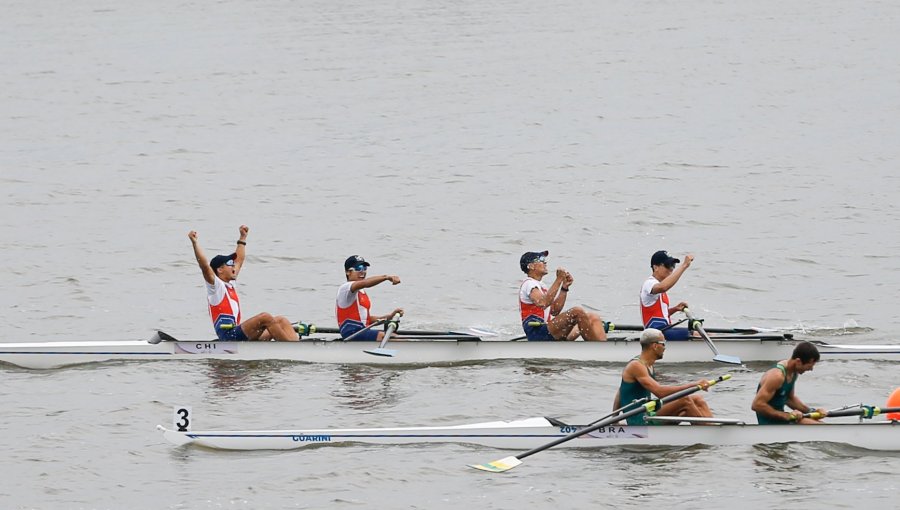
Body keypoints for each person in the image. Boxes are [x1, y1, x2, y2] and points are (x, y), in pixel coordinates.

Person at [188, 226, 299, 341]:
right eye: (230, 263)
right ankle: (287, 348)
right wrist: (195, 243)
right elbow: (204, 266)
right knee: (265, 317)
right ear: (220, 269)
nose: (234, 265)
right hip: (229, 337)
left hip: (238, 333)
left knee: (281, 320)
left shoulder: (231, 284)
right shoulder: (216, 287)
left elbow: (239, 260)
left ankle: (297, 349)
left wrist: (243, 237)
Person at [612, 328, 713, 424]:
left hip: (649, 411)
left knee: (697, 399)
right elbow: (660, 392)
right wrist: (694, 385)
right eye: (663, 344)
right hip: (640, 418)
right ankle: (708, 434)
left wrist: (614, 419)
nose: (665, 348)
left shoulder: (648, 364)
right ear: (655, 346)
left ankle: (713, 428)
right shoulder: (636, 366)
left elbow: (621, 390)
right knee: (685, 400)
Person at [518, 250, 606, 341]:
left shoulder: (541, 286)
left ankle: (604, 348)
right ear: (531, 266)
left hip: (547, 330)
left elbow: (554, 311)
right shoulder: (528, 284)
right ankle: (596, 348)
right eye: (541, 259)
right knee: (577, 312)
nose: (545, 262)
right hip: (537, 333)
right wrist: (559, 279)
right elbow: (543, 302)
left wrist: (564, 288)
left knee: (592, 317)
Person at [752, 341, 826, 424]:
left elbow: (789, 399)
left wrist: (812, 411)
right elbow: (757, 405)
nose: (811, 369)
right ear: (798, 361)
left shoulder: (793, 372)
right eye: (809, 366)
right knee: (821, 427)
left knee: (819, 423)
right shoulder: (777, 376)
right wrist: (786, 415)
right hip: (769, 424)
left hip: (782, 419)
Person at [336, 255, 404, 341]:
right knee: (397, 339)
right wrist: (387, 277)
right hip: (352, 333)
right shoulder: (345, 288)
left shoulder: (361, 292)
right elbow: (366, 283)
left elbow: (366, 319)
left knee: (395, 335)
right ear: (348, 272)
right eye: (358, 268)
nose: (362, 271)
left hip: (362, 331)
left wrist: (389, 317)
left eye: (364, 268)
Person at [640, 250, 694, 340]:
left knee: (701, 332)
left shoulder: (659, 287)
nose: (671, 269)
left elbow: (659, 315)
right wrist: (684, 265)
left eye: (673, 266)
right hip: (655, 334)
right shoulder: (649, 283)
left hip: (663, 331)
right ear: (655, 267)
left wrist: (675, 309)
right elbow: (663, 287)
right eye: (668, 265)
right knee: (697, 334)